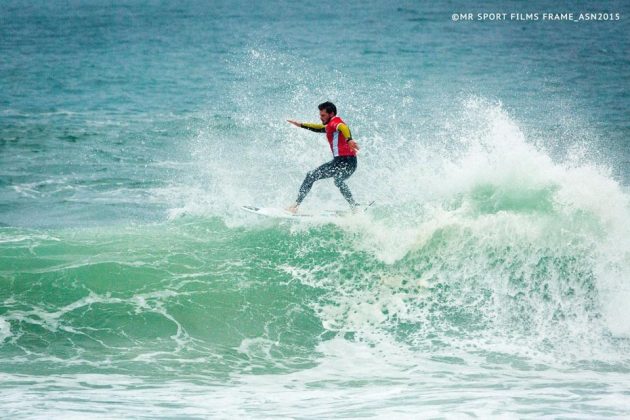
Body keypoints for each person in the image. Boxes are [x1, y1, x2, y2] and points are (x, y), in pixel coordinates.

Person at [286, 102, 360, 214]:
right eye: (320, 115)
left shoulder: (336, 122)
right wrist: (301, 124)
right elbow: (320, 128)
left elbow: (343, 127)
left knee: (311, 176)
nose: (320, 118)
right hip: (351, 163)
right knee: (338, 181)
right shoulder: (330, 125)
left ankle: (295, 206)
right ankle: (354, 207)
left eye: (323, 115)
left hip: (343, 161)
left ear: (331, 114)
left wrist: (349, 139)